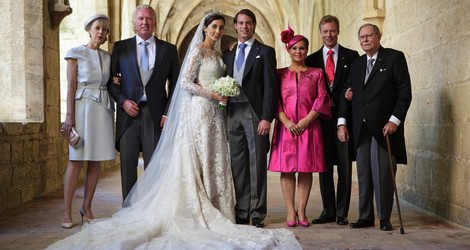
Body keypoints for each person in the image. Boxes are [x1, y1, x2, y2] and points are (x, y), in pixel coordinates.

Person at [48, 12, 300, 249]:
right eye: (214, 27)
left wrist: (221, 95)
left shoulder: (224, 53)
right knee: (195, 160)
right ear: (205, 28)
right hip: (200, 111)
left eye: (221, 28)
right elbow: (185, 82)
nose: (217, 31)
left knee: (216, 160)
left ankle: (224, 207)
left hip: (217, 113)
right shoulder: (197, 53)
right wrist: (211, 93)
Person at [337, 23, 412, 231]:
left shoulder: (394, 57)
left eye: (369, 36)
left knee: (383, 172)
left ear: (378, 36)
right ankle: (365, 216)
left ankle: (385, 218)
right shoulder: (357, 64)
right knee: (363, 172)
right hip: (360, 128)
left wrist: (394, 121)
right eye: (361, 37)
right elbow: (348, 90)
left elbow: (404, 93)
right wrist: (343, 116)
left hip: (383, 128)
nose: (365, 40)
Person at [107, 4, 180, 201]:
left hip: (155, 116)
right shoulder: (121, 48)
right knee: (128, 165)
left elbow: (176, 85)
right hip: (128, 115)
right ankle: (128, 209)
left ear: (155, 23)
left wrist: (167, 113)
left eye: (149, 18)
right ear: (134, 23)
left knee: (154, 166)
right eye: (140, 19)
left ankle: (151, 210)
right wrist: (122, 102)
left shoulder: (169, 50)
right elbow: (110, 82)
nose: (144, 22)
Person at [268, 26, 331, 228]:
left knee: (306, 169)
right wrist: (286, 121)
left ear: (306, 50)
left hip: (309, 126)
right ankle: (290, 211)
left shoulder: (317, 74)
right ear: (288, 50)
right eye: (295, 48)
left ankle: (302, 210)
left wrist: (306, 121)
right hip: (286, 126)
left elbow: (322, 98)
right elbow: (274, 99)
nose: (298, 52)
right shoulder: (280, 74)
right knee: (286, 170)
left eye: (302, 48)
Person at [223, 8, 278, 228]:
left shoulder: (265, 52)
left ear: (253, 26)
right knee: (238, 163)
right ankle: (242, 209)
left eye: (249, 23)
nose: (244, 27)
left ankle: (257, 212)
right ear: (235, 26)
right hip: (232, 112)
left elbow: (270, 88)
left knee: (256, 164)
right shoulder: (229, 53)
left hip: (254, 112)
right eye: (241, 23)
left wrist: (266, 117)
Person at [60, 14, 115, 229]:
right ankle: (66, 211)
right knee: (76, 160)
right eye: (98, 28)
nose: (101, 32)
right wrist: (69, 116)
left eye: (105, 30)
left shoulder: (109, 57)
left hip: (102, 109)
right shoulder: (75, 53)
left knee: (95, 161)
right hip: (82, 108)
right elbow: (70, 87)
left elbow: (112, 81)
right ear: (89, 29)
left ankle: (87, 207)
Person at [305, 15, 359, 226]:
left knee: (345, 166)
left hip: (344, 118)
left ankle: (342, 212)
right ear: (320, 32)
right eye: (325, 31)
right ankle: (328, 210)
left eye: (332, 30)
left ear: (338, 31)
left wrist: (352, 93)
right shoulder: (311, 60)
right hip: (320, 120)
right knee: (324, 166)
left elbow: (355, 83)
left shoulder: (351, 56)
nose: (329, 35)